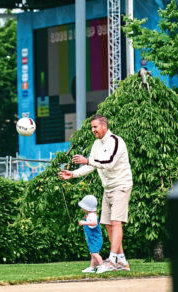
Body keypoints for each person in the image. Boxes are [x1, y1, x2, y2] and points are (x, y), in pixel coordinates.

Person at [59, 115, 133, 271]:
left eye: (95, 127)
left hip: (121, 185)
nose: (93, 130)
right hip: (108, 187)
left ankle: (112, 260)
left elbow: (109, 163)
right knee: (107, 223)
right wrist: (72, 174)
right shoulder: (96, 144)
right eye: (92, 127)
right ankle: (122, 262)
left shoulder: (116, 141)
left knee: (116, 222)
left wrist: (88, 161)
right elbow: (91, 166)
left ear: (104, 126)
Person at [78, 195, 107, 274]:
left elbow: (94, 223)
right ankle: (92, 267)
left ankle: (102, 266)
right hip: (92, 238)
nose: (82, 208)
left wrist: (84, 223)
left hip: (95, 239)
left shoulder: (92, 215)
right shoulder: (90, 214)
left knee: (94, 253)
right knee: (93, 253)